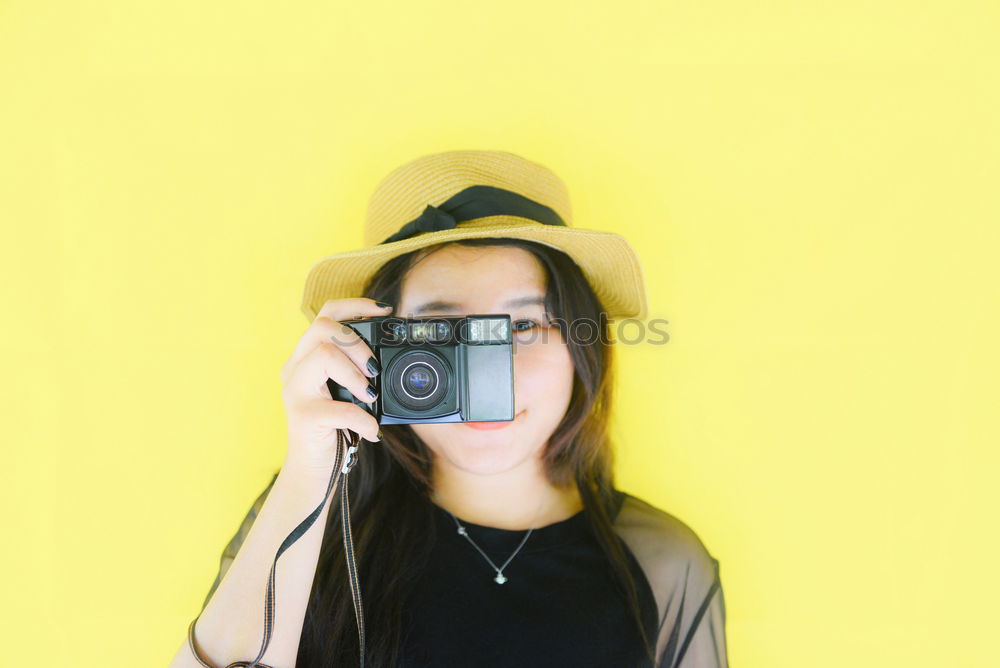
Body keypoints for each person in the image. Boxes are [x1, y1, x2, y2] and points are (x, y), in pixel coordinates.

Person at [169, 150, 729, 668]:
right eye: (440, 331)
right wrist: (309, 473)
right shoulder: (310, 516)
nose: (490, 372)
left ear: (580, 347)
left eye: (525, 324)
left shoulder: (661, 563)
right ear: (376, 350)